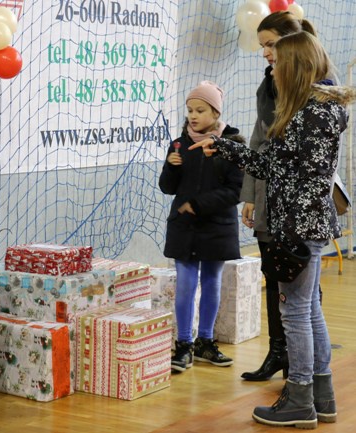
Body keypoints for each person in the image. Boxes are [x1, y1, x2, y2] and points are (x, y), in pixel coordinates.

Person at [190, 32, 356, 429]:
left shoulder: (311, 113)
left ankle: (299, 397)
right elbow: (278, 167)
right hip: (306, 222)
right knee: (308, 309)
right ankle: (321, 395)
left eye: (277, 62)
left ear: (295, 65)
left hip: (298, 225)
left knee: (295, 311)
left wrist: (288, 230)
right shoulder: (313, 108)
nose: (272, 69)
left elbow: (294, 174)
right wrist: (226, 146)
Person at [240, 11, 320, 382]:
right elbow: (260, 140)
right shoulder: (270, 85)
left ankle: (305, 377)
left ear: (291, 46)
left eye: (270, 45)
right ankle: (280, 354)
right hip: (271, 199)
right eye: (262, 47)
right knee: (276, 279)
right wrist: (251, 195)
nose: (265, 56)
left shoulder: (312, 96)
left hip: (296, 211)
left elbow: (285, 158)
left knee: (300, 299)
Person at [159, 80, 244, 373]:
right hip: (184, 227)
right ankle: (184, 344)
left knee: (211, 282)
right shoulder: (180, 143)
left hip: (216, 226)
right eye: (190, 110)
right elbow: (167, 188)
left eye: (200, 110)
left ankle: (206, 342)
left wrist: (199, 204)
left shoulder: (232, 144)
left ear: (215, 113)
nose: (193, 116)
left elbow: (236, 191)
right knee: (185, 285)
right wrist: (171, 166)